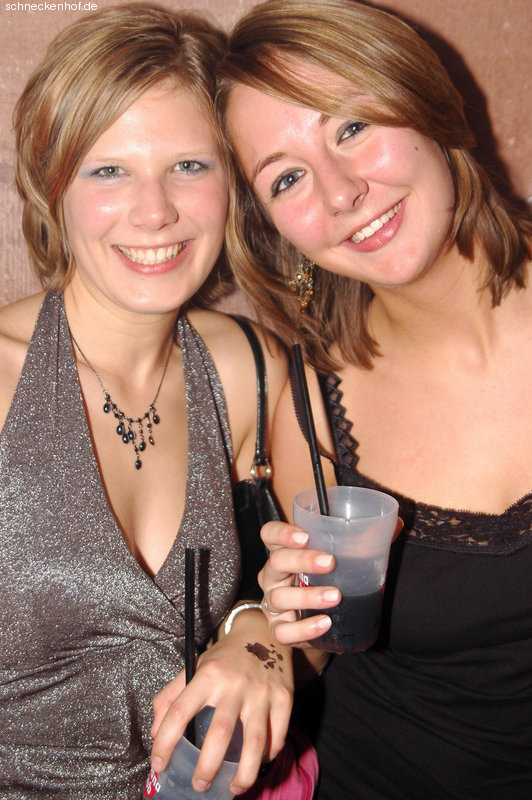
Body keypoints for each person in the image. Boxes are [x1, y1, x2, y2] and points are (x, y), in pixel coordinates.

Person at [216, 0, 532, 797]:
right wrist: (263, 635)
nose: (342, 191)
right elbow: (316, 636)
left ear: (423, 102)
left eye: (351, 127)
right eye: (288, 177)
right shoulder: (312, 407)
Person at [0, 4, 292, 798]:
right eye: (109, 170)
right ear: (51, 186)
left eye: (189, 165)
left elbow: (327, 592)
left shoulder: (247, 368)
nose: (156, 210)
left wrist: (256, 635)